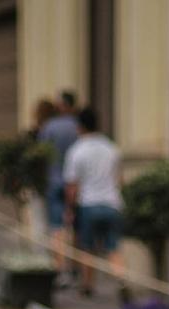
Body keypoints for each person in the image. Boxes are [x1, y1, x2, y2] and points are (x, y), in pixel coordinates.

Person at [60, 104, 120, 297]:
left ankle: (87, 285)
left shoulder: (77, 151)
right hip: (112, 203)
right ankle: (122, 281)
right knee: (114, 248)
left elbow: (72, 185)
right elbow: (120, 179)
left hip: (89, 205)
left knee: (87, 248)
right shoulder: (111, 148)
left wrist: (69, 209)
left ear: (80, 127)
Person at [36, 90, 79, 266]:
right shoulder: (78, 126)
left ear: (62, 105)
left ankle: (59, 267)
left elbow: (40, 153)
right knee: (76, 226)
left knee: (57, 227)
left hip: (54, 181)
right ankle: (75, 267)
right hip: (75, 184)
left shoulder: (50, 127)